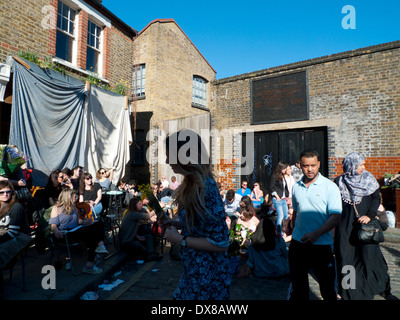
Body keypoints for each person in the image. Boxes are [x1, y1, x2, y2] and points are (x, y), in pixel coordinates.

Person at [164, 129, 231, 300]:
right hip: (193, 273)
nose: (166, 160)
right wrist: (177, 224)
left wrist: (180, 240)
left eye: (169, 155)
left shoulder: (205, 188)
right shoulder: (192, 184)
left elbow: (221, 243)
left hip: (207, 279)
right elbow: (201, 226)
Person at [334, 152, 396, 300]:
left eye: (363, 164)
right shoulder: (339, 181)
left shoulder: (369, 180)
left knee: (370, 257)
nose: (363, 167)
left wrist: (369, 215)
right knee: (346, 258)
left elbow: (376, 199)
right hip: (346, 227)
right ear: (351, 166)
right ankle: (349, 290)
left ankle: (378, 287)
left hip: (366, 226)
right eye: (360, 164)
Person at [287, 150, 342, 301]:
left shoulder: (329, 187)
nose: (309, 169)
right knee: (299, 289)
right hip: (298, 244)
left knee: (328, 290)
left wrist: (315, 234)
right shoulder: (296, 187)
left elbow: (336, 217)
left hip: (321, 246)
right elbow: (296, 212)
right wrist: (293, 230)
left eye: (313, 165)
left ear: (318, 164)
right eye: (305, 166)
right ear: (300, 166)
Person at [49, 189, 107, 275]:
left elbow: (79, 221)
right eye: (74, 196)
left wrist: (85, 221)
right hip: (65, 234)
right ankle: (91, 262)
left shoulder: (76, 207)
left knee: (98, 224)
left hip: (77, 230)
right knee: (93, 235)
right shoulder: (56, 208)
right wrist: (57, 232)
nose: (76, 197)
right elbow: (53, 225)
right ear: (68, 197)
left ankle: (100, 247)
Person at [118, 196, 162, 261]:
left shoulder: (133, 213)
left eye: (141, 203)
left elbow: (131, 228)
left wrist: (138, 236)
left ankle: (150, 253)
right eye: (139, 204)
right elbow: (147, 216)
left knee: (148, 236)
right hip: (125, 242)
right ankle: (148, 255)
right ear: (134, 205)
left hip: (131, 238)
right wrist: (157, 208)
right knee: (138, 244)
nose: (141, 205)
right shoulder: (132, 214)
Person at [0, 181, 31, 270]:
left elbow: (13, 232)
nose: (5, 194)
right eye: (1, 192)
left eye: (8, 192)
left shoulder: (16, 207)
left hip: (17, 237)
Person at [269, 162, 290, 235]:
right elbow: (271, 187)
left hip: (284, 198)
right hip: (277, 199)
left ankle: (275, 224)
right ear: (281, 168)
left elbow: (285, 187)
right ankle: (279, 232)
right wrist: (276, 196)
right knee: (280, 215)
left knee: (285, 216)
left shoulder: (283, 176)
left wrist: (287, 195)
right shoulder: (274, 176)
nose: (285, 170)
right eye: (284, 169)